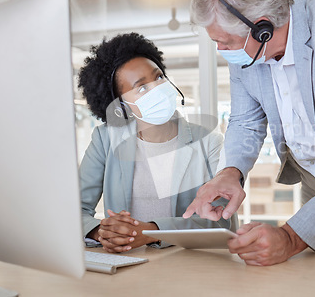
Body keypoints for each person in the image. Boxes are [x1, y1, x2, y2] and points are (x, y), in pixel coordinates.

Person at [183, 0, 315, 265]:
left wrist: (291, 236)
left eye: (225, 42)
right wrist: (230, 172)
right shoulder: (242, 50)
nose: (221, 51)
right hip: (313, 182)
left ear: (263, 27)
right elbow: (246, 121)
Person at [78, 33, 236, 253]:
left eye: (159, 77)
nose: (158, 88)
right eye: (141, 87)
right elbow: (74, 210)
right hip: (124, 261)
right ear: (120, 107)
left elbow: (220, 221)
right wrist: (100, 232)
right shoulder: (105, 139)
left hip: (186, 263)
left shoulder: (209, 140)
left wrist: (151, 232)